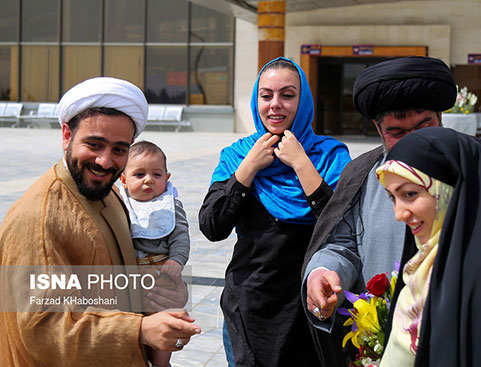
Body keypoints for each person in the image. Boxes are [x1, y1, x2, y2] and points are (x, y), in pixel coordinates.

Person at [301, 56, 481, 366]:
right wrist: (324, 271)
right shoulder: (362, 175)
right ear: (379, 131)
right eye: (397, 132)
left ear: (441, 119)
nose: (415, 141)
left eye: (423, 126)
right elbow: (344, 242)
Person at [0, 77, 200, 367]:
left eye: (119, 150)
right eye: (94, 144)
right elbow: (40, 329)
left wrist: (166, 294)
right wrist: (140, 330)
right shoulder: (39, 219)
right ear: (67, 136)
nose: (105, 161)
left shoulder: (108, 195)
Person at [198, 56, 351, 366]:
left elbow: (341, 227)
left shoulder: (331, 155)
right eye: (266, 95)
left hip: (309, 307)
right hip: (250, 306)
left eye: (287, 95)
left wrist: (301, 163)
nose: (275, 105)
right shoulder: (237, 155)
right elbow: (213, 226)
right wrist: (249, 168)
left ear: (303, 99)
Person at [376, 127, 481, 366]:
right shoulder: (429, 262)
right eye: (392, 197)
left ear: (451, 189)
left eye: (410, 194)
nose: (399, 213)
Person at [120, 140, 191, 367]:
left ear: (167, 178)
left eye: (157, 174)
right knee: (132, 325)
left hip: (162, 271)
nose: (148, 180)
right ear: (124, 180)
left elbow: (180, 237)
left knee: (164, 320)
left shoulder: (170, 205)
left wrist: (176, 261)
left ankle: (162, 363)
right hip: (129, 277)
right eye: (139, 174)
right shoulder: (120, 204)